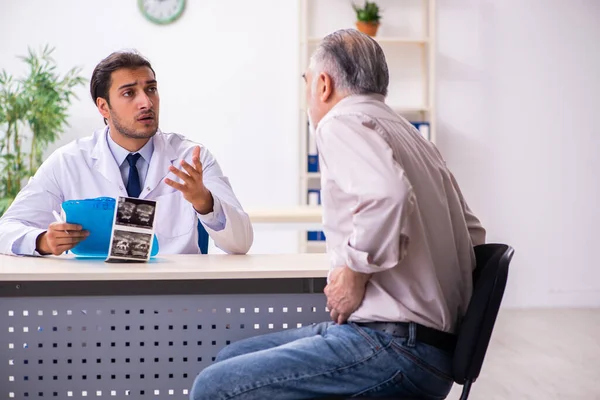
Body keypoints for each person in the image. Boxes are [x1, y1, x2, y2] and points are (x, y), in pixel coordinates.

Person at [189, 29, 486, 399]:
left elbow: (388, 194)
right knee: (231, 358)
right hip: (431, 349)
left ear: (324, 85)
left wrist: (356, 271)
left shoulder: (341, 122)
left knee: (213, 386)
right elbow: (474, 234)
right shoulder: (412, 135)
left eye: (307, 82)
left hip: (394, 347)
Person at [0, 50, 253, 256]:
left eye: (151, 89)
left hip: (176, 304)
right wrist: (42, 240)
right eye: (129, 93)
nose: (146, 102)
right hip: (94, 305)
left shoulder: (192, 158)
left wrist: (204, 202)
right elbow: (6, 230)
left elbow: (241, 243)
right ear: (103, 107)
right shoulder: (68, 161)